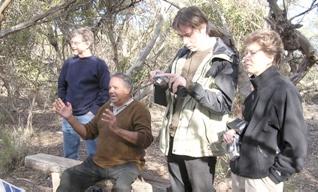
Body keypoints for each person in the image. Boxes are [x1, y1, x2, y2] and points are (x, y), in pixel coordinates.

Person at [150, 6, 238, 192]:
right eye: (181, 36)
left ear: (203, 27)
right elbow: (171, 98)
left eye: (188, 35)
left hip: (199, 143)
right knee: (177, 189)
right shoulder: (182, 54)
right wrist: (161, 82)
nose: (185, 41)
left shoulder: (222, 57)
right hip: (174, 135)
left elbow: (223, 104)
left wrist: (190, 86)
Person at [223, 30, 308, 192]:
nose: (246, 57)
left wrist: (275, 175)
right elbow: (255, 127)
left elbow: (297, 145)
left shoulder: (284, 90)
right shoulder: (255, 91)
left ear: (270, 56)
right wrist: (236, 131)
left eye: (252, 53)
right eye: (246, 53)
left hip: (262, 180)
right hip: (240, 173)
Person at [53, 73, 154, 192]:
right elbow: (87, 132)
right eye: (110, 87)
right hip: (99, 162)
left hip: (127, 164)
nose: (111, 91)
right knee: (69, 176)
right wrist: (70, 118)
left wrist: (118, 130)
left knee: (122, 188)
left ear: (128, 90)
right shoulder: (106, 108)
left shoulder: (139, 109)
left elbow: (146, 139)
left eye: (115, 88)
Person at [57, 27, 110, 160]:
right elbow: (61, 85)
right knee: (69, 155)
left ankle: (95, 180)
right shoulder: (69, 63)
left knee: (95, 154)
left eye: (76, 43)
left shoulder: (99, 64)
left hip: (89, 116)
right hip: (69, 115)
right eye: (71, 42)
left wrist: (93, 111)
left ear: (87, 43)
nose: (72, 45)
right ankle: (71, 180)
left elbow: (106, 90)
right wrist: (64, 106)